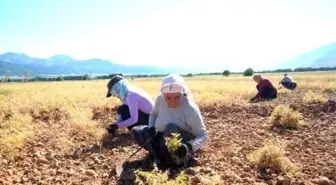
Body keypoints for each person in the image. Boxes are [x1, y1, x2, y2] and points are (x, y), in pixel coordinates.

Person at [130, 74, 209, 170]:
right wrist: (151, 128)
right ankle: (162, 155)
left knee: (171, 128)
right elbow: (154, 114)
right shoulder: (160, 99)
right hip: (161, 135)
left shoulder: (190, 109)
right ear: (163, 95)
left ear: (182, 93)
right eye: (168, 98)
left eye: (177, 97)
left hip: (182, 143)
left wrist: (189, 146)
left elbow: (203, 135)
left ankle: (177, 157)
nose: (172, 102)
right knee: (136, 131)